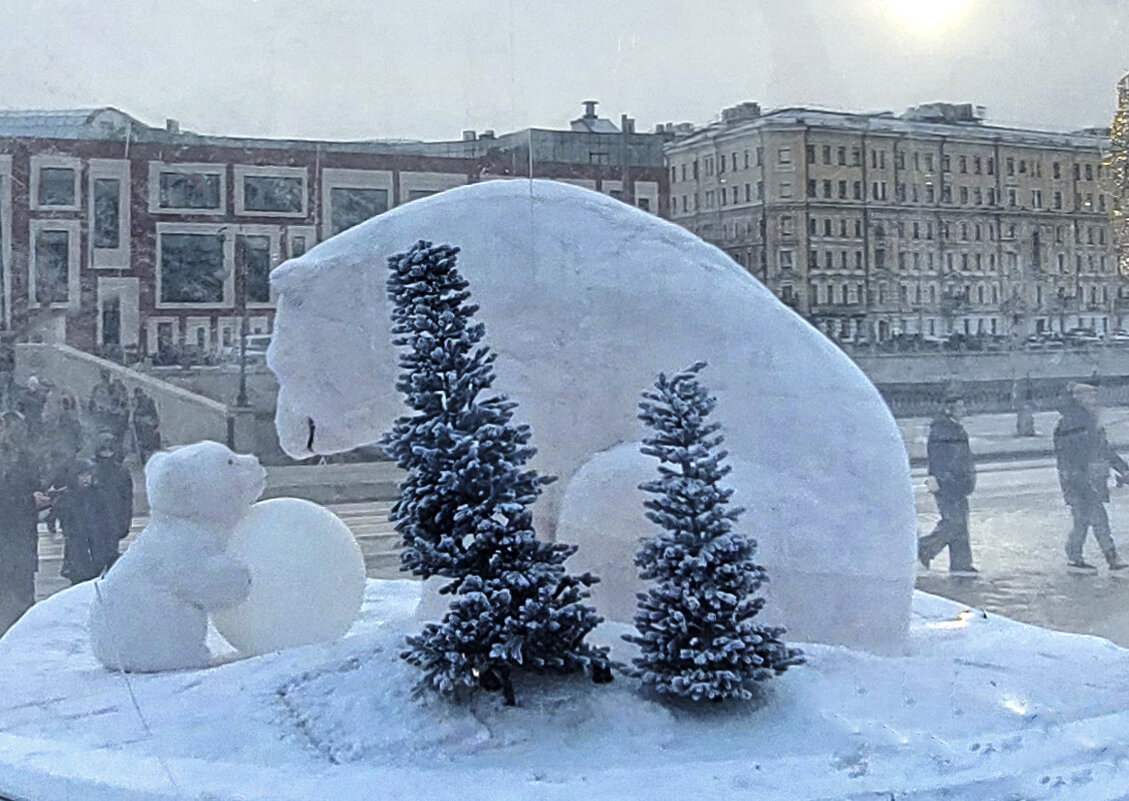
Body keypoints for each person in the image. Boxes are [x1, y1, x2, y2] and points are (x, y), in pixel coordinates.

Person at [1053, 381, 1129, 572]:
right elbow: (1073, 455)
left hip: (1086, 479)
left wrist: (1123, 468)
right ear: (1079, 399)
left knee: (1083, 519)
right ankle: (1111, 557)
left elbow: (1103, 449)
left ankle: (1073, 553)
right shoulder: (1074, 423)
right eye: (1090, 396)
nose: (1095, 400)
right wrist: (1082, 478)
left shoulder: (1087, 421)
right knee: (1097, 517)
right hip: (1081, 480)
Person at [918, 393, 978, 575]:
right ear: (949, 409)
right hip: (949, 483)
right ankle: (924, 548)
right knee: (954, 523)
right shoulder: (944, 430)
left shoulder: (951, 429)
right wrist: (945, 480)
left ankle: (961, 564)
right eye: (960, 407)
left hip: (956, 482)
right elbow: (941, 460)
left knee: (959, 522)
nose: (964, 410)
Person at [0, 411, 49, 633]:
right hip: (8, 542)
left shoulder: (23, 458)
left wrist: (44, 497)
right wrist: (29, 501)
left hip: (22, 542)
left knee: (22, 599)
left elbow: (34, 484)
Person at [55, 459, 118, 584]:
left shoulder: (99, 496)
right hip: (78, 550)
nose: (85, 479)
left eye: (88, 475)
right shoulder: (68, 498)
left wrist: (111, 550)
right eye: (81, 475)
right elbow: (64, 523)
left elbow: (109, 524)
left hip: (98, 547)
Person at [92, 432, 133, 546]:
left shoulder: (121, 472)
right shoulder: (90, 469)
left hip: (114, 521)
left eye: (110, 449)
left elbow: (127, 500)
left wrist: (125, 523)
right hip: (93, 522)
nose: (107, 453)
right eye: (103, 449)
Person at [130, 386, 161, 464]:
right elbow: (133, 414)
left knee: (150, 443)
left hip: (148, 426)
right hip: (139, 427)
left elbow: (154, 413)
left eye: (141, 393)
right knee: (140, 443)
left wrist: (154, 423)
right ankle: (142, 458)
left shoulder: (149, 401)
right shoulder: (134, 402)